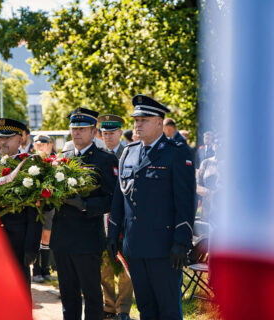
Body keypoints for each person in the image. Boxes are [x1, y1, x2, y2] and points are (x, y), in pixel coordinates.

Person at [107, 94, 196, 320]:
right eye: (136, 119)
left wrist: (181, 242)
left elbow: (185, 202)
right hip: (134, 247)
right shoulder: (129, 152)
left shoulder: (176, 152)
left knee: (167, 310)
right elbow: (120, 197)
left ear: (159, 122)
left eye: (144, 119)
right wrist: (112, 234)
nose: (138, 124)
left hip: (164, 248)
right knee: (146, 308)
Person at [50, 107, 118, 320]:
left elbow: (111, 200)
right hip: (62, 238)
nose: (76, 132)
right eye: (73, 128)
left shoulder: (105, 160)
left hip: (87, 238)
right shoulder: (63, 158)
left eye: (81, 128)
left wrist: (86, 205)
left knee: (91, 294)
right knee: (68, 294)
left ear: (93, 131)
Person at [0, 118, 42, 286]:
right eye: (0, 137)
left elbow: (36, 212)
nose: (3, 141)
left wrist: (31, 246)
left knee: (19, 288)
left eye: (8, 137)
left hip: (19, 242)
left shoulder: (30, 166)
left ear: (20, 139)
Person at [97, 115, 133, 320]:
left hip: (125, 219)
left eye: (112, 133)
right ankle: (109, 306)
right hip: (102, 218)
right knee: (105, 265)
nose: (108, 137)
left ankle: (124, 309)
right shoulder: (99, 155)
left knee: (126, 266)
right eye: (105, 133)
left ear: (120, 133)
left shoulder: (128, 154)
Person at [32, 134, 57, 283]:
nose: (40, 145)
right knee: (36, 237)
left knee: (46, 236)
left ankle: (45, 268)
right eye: (37, 143)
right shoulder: (30, 162)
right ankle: (36, 270)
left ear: (50, 144)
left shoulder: (56, 161)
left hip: (50, 204)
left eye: (44, 143)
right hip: (34, 205)